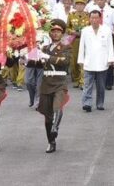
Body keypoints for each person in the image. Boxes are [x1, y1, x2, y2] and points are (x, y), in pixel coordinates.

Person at [36, 19, 71, 153]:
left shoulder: (66, 46)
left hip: (59, 82)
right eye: (53, 31)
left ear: (62, 33)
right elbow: (38, 64)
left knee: (57, 106)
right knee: (47, 115)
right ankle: (51, 141)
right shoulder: (44, 47)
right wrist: (26, 58)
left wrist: (47, 57)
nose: (55, 33)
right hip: (46, 82)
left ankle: (55, 127)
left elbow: (65, 61)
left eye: (58, 31)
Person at [77, 10, 114, 112]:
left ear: (100, 19)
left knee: (101, 86)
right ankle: (87, 103)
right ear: (89, 19)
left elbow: (110, 46)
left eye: (96, 18)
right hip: (89, 61)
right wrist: (81, 59)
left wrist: (111, 59)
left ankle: (100, 103)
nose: (94, 20)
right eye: (92, 18)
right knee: (87, 84)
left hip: (102, 61)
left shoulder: (106, 30)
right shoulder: (85, 31)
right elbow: (82, 47)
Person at [66, 0, 89, 89]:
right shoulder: (71, 15)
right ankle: (75, 79)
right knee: (74, 60)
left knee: (83, 60)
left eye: (81, 4)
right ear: (75, 6)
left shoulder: (88, 16)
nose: (79, 6)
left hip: (85, 41)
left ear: (84, 6)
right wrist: (73, 32)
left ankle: (82, 79)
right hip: (74, 41)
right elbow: (67, 28)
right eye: (77, 4)